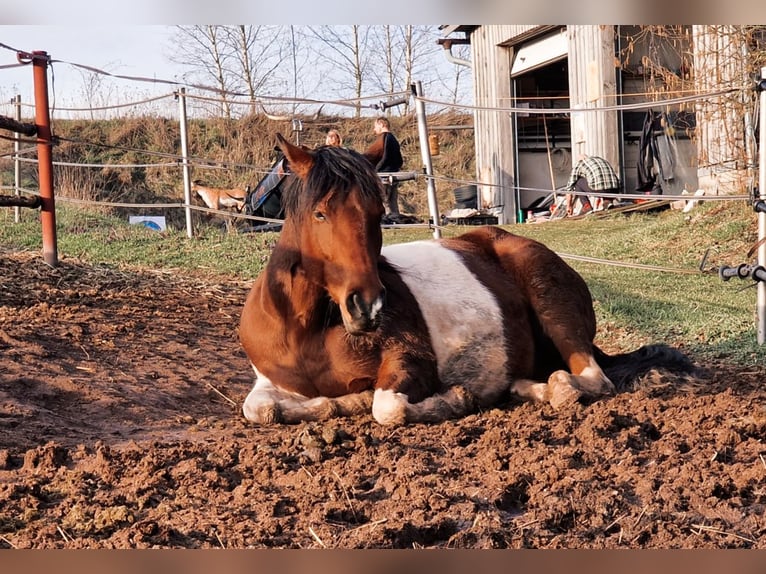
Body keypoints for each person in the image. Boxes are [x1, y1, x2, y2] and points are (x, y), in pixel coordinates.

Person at [371, 116, 403, 215]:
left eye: (375, 126)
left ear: (381, 124)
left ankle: (388, 221)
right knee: (393, 202)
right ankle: (395, 220)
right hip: (394, 174)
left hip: (384, 175)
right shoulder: (394, 139)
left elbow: (379, 156)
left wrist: (375, 170)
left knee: (385, 202)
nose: (374, 129)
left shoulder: (383, 138)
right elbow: (400, 160)